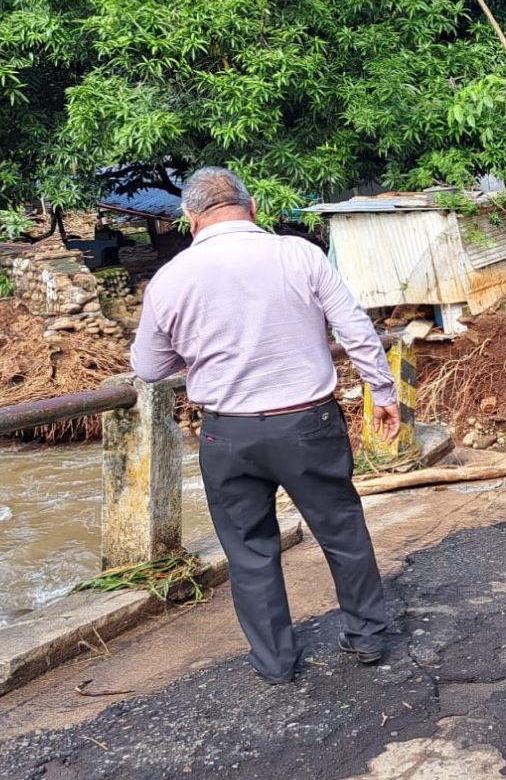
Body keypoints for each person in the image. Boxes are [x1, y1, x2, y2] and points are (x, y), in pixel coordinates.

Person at [130, 167, 400, 685]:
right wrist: (382, 393)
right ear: (252, 208)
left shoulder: (170, 279)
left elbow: (148, 368)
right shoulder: (298, 254)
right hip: (308, 424)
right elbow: (355, 328)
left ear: (189, 220)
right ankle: (366, 637)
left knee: (249, 549)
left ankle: (276, 662)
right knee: (342, 530)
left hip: (226, 434)